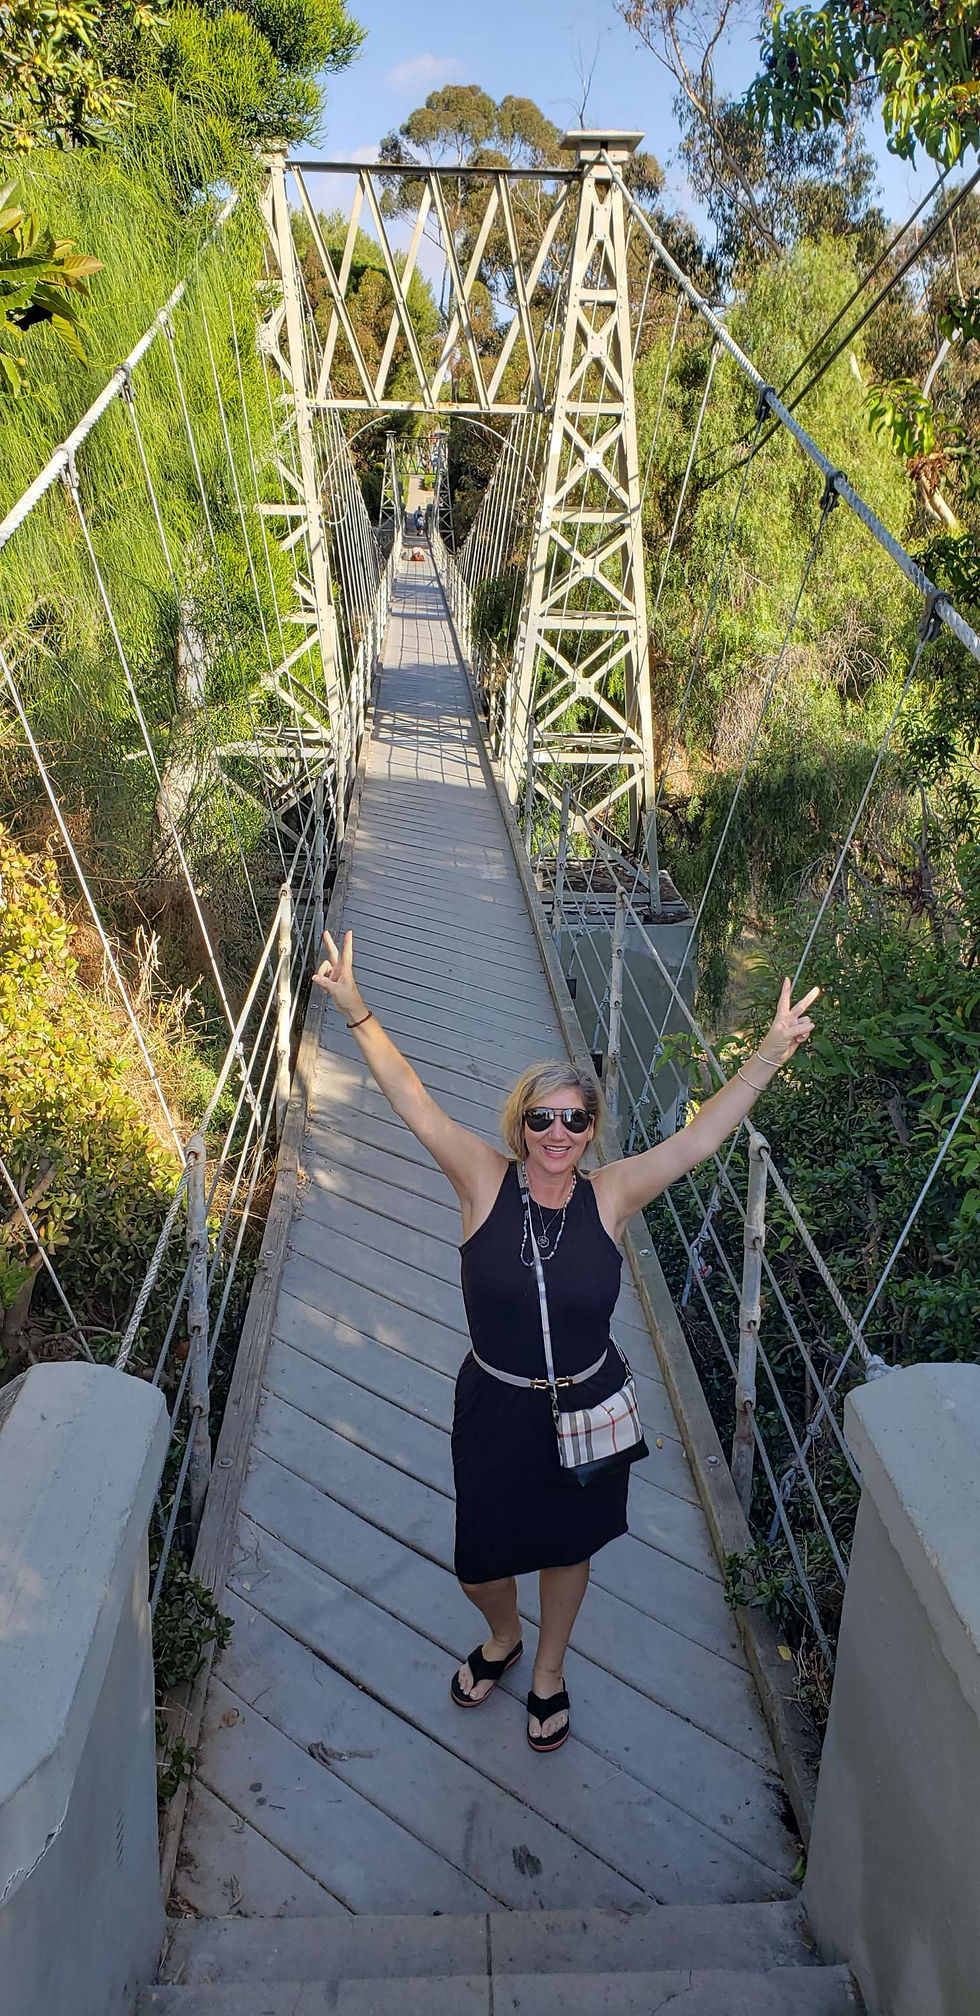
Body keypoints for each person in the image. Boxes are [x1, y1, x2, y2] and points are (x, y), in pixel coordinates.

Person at [315, 929, 818, 1752]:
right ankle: (502, 1634)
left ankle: (546, 1671)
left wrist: (766, 1053)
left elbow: (697, 1141)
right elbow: (414, 1101)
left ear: (591, 1130)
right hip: (496, 1405)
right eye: (543, 1118)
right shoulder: (482, 1180)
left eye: (575, 1120)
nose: (558, 1133)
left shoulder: (611, 1196)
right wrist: (356, 1009)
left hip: (588, 1400)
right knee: (480, 1560)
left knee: (568, 1546)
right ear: (522, 1123)